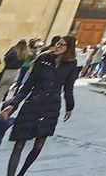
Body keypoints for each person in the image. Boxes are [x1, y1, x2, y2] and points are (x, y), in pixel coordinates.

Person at [5, 36, 76, 176]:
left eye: (63, 45)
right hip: (33, 103)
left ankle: (22, 173)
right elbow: (28, 85)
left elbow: (69, 87)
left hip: (51, 106)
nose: (58, 46)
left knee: (38, 145)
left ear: (69, 48)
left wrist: (70, 106)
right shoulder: (43, 59)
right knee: (19, 144)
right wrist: (14, 103)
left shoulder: (71, 64)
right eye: (58, 43)